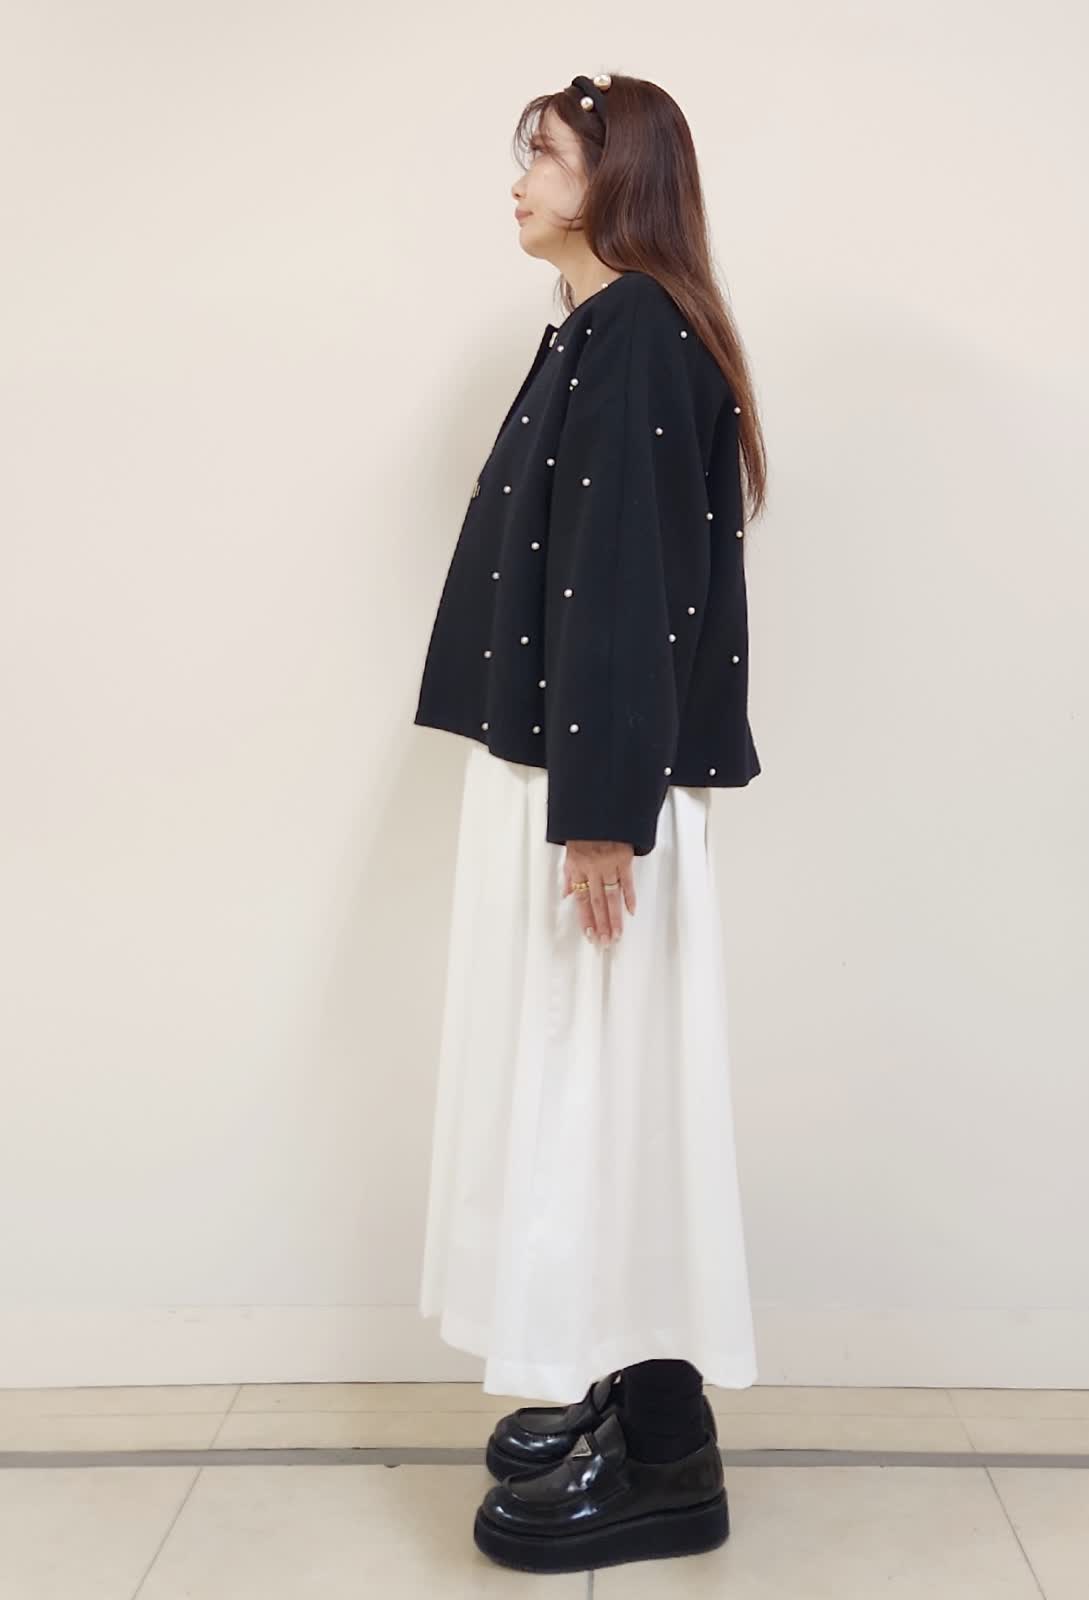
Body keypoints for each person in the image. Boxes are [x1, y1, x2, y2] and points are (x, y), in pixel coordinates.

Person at [413, 70, 768, 1575]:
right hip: (573, 782)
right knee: (596, 1086)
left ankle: (670, 1454)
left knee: (602, 1094)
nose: (518, 180)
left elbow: (628, 577)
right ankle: (631, 1392)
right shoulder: (600, 324)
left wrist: (604, 814)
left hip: (593, 798)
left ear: (614, 179)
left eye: (543, 156)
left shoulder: (631, 332)